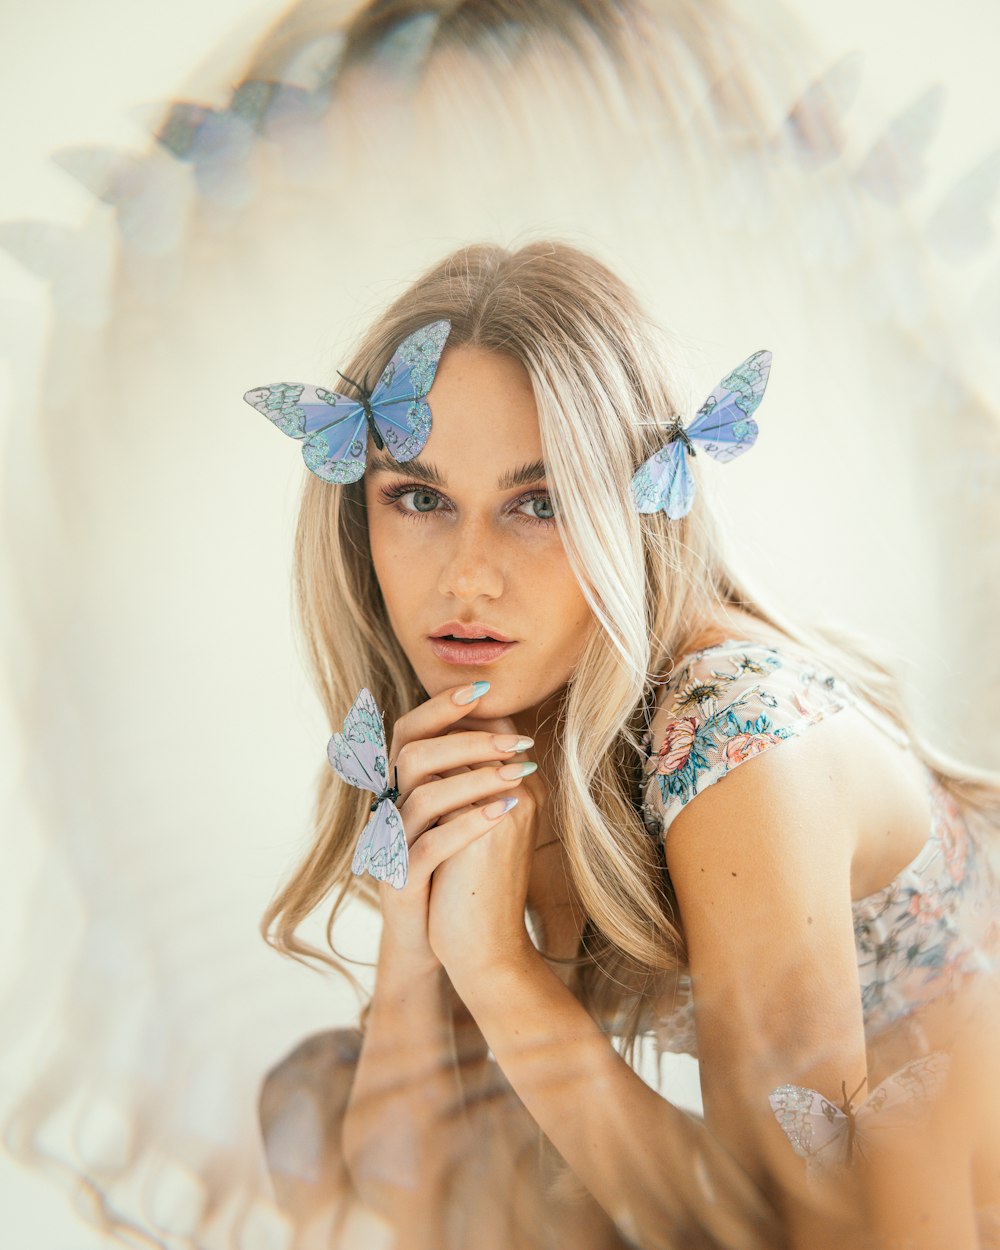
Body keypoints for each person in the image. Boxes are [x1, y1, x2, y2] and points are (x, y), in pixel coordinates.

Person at [252, 239, 1000, 1250]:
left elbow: (797, 1227)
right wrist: (412, 923)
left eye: (540, 503)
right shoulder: (491, 720)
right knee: (306, 1097)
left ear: (634, 510)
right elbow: (406, 1178)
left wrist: (498, 966)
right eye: (420, 498)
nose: (466, 577)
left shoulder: (737, 739)